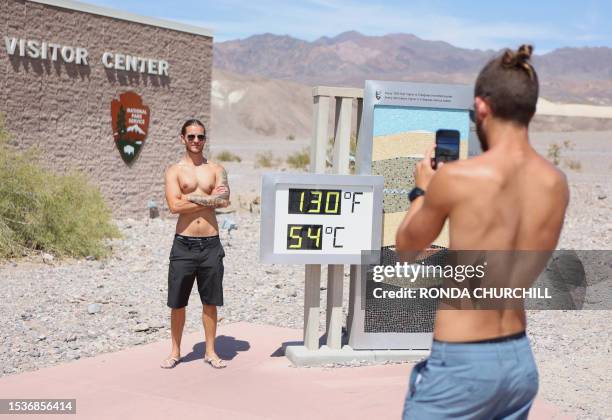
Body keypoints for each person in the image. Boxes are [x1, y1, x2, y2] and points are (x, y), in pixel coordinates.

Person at [396, 45, 569, 419]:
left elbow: (407, 246)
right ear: (530, 110)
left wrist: (422, 188)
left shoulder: (459, 177)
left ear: (482, 107)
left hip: (463, 365)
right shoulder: (555, 182)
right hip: (519, 361)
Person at [161, 119, 230, 369]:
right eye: (191, 137)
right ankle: (175, 351)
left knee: (210, 301)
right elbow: (174, 206)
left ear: (205, 139)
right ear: (182, 139)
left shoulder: (216, 169)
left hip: (211, 244)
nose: (196, 141)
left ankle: (211, 351)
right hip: (184, 245)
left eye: (200, 137)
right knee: (177, 302)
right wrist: (208, 199)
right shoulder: (174, 171)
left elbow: (224, 200)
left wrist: (191, 197)